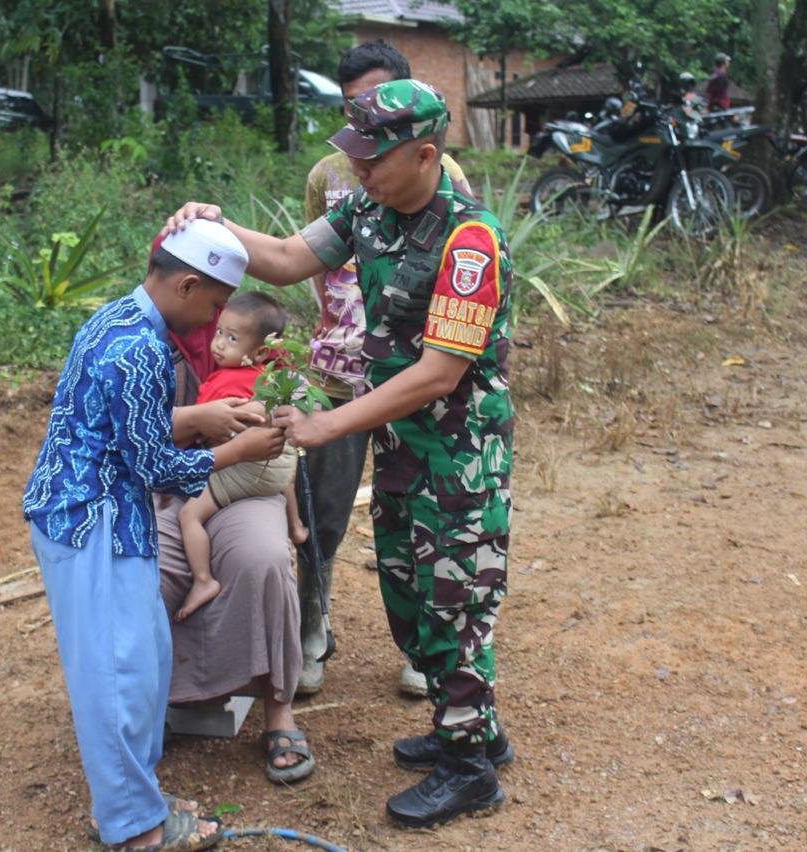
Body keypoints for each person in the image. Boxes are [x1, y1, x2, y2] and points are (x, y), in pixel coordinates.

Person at [162, 78, 517, 829]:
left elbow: (440, 372)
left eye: (374, 158)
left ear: (425, 156)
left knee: (454, 600)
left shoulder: (469, 242)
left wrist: (328, 426)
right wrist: (217, 229)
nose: (358, 171)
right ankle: (471, 730)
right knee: (408, 588)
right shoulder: (368, 209)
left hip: (458, 457)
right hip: (402, 447)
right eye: (353, 155)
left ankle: (470, 768)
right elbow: (290, 258)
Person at [23, 219, 285, 849]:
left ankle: (137, 799)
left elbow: (128, 425)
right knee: (117, 676)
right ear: (188, 284)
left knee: (143, 665)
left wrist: (206, 418)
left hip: (108, 514)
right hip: (90, 519)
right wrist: (241, 447)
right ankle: (133, 828)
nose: (216, 319)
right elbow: (156, 465)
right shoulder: (138, 348)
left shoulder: (120, 318)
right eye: (217, 305)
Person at [296, 40, 474, 701]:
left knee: (425, 521)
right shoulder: (329, 179)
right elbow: (304, 259)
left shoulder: (451, 191)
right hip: (339, 370)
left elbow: (448, 328)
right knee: (321, 517)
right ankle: (311, 633)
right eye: (351, 112)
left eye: (374, 110)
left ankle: (431, 651)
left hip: (414, 384)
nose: (361, 132)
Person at [175, 291, 307, 622]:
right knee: (282, 461)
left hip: (245, 469)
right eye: (219, 332)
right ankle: (297, 525)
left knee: (188, 516)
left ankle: (203, 580)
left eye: (231, 338)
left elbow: (203, 431)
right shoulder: (273, 375)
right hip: (277, 473)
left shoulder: (224, 385)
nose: (219, 344)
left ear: (260, 350)